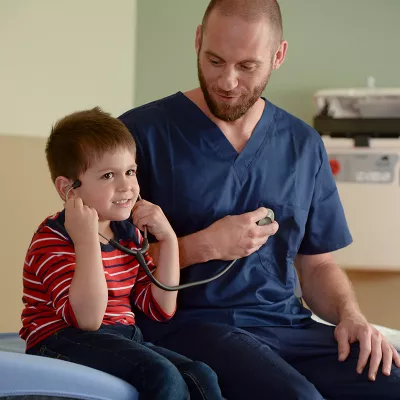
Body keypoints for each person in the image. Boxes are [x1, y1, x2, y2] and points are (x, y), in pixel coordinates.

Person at [118, 1, 400, 399]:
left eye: (247, 67)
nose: (227, 81)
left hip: (288, 327)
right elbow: (109, 266)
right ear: (198, 40)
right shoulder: (139, 135)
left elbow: (317, 263)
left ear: (278, 56)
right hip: (191, 328)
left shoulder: (303, 145)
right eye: (214, 60)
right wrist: (204, 245)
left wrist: (351, 317)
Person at [19, 107, 224, 400]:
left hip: (122, 337)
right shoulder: (53, 238)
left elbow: (161, 308)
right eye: (107, 175)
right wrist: (87, 240)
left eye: (130, 171)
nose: (126, 184)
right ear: (69, 189)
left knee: (200, 374)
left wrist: (167, 240)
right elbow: (86, 321)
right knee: (160, 374)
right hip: (61, 340)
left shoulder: (128, 235)